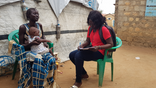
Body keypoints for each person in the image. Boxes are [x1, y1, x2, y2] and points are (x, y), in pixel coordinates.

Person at [69, 10, 113, 88]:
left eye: (93, 24)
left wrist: (99, 47)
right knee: (72, 55)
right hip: (92, 49)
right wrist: (83, 45)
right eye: (90, 23)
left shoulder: (103, 29)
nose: (91, 25)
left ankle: (78, 81)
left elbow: (110, 44)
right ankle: (84, 74)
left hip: (101, 52)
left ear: (98, 22)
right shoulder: (90, 28)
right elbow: (87, 41)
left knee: (78, 55)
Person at [18, 8, 58, 88]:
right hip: (29, 51)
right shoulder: (23, 27)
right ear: (28, 15)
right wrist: (31, 44)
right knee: (38, 60)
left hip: (41, 49)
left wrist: (45, 42)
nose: (37, 15)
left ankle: (47, 81)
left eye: (38, 14)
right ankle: (38, 85)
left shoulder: (39, 25)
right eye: (34, 14)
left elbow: (43, 35)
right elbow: (21, 45)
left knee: (52, 59)